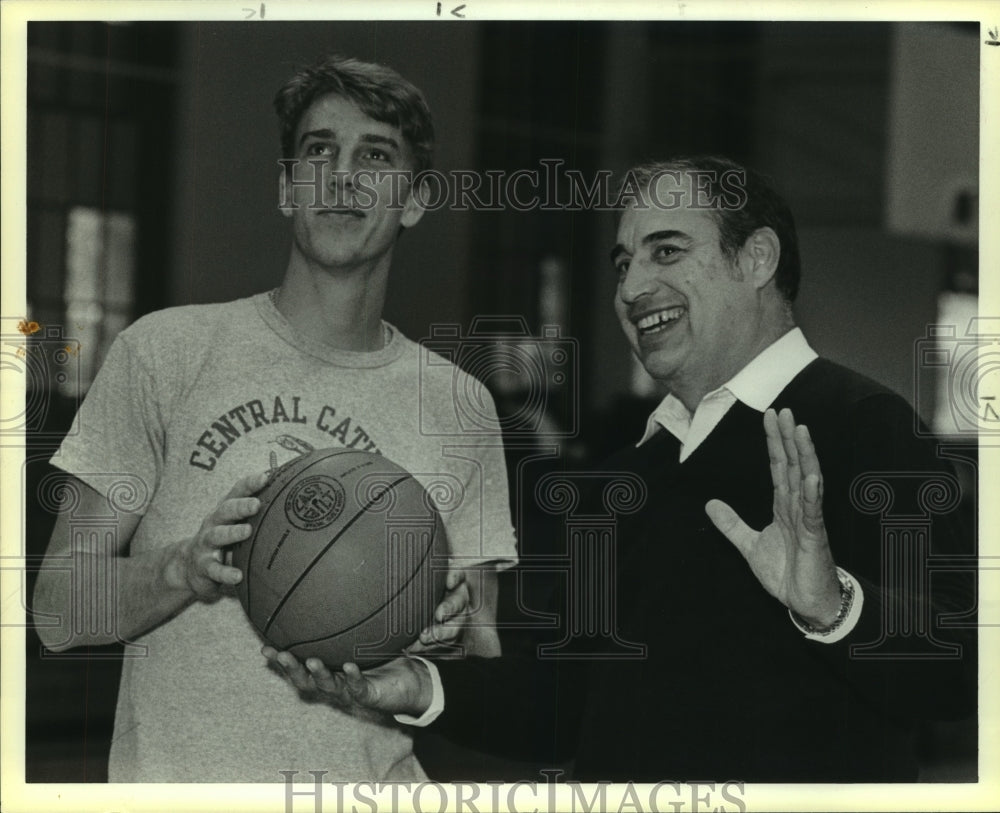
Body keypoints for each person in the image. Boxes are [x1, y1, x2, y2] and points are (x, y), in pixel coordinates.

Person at [267, 156, 976, 782]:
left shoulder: (864, 425)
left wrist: (835, 607)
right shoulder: (627, 475)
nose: (633, 287)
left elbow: (963, 668)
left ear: (757, 258)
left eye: (666, 251)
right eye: (622, 263)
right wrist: (416, 685)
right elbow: (566, 705)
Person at [32, 54, 517, 782]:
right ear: (288, 187)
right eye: (319, 150)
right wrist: (178, 569)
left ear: (416, 198)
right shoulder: (164, 352)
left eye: (375, 155)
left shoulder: (460, 404)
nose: (341, 175)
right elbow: (56, 609)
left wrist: (440, 637)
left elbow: (481, 645)